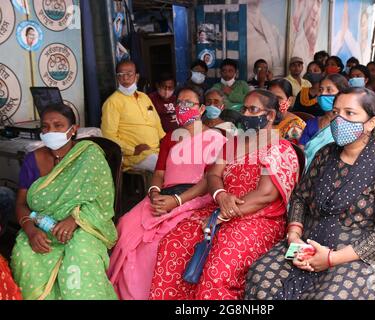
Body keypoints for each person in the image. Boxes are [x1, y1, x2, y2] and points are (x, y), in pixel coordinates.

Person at [245, 87, 375, 300]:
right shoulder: (325, 154)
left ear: (371, 123)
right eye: (336, 112)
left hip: (357, 254)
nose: (339, 119)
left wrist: (331, 258)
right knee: (260, 276)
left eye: (350, 113)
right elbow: (300, 197)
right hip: (310, 240)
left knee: (330, 296)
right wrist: (294, 236)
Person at [150, 89, 300, 300]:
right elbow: (213, 174)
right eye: (244, 109)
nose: (246, 114)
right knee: (173, 244)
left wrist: (223, 214)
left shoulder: (279, 148)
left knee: (217, 270)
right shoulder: (234, 143)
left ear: (270, 115)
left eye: (253, 109)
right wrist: (221, 195)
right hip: (220, 208)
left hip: (257, 218)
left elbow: (265, 195)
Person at [108, 87, 227, 300]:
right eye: (179, 103)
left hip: (195, 197)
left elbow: (209, 180)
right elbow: (159, 173)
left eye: (189, 103)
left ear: (201, 109)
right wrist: (153, 192)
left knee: (154, 242)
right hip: (164, 195)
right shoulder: (170, 137)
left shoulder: (216, 139)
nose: (183, 107)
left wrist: (176, 201)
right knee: (125, 226)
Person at [11, 103, 118, 300]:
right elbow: (20, 203)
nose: (50, 131)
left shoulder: (89, 155)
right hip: (40, 226)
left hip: (82, 227)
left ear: (73, 129)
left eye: (58, 125)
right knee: (23, 255)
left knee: (82, 254)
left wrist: (75, 220)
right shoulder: (32, 159)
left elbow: (103, 200)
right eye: (45, 127)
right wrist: (31, 231)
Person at [101, 60, 165, 172]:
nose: (125, 78)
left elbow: (158, 126)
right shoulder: (112, 102)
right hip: (135, 157)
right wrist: (132, 150)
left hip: (157, 151)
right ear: (117, 78)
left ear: (137, 76)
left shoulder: (144, 97)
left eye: (129, 74)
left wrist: (167, 143)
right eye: (121, 75)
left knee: (181, 162)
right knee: (166, 169)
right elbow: (108, 136)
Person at [299, 74, 349, 146]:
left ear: (342, 94)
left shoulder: (349, 126)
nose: (322, 93)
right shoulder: (311, 123)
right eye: (320, 90)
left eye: (329, 90)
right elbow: (301, 149)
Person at [268, 79, 305, 143]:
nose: (273, 101)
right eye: (270, 97)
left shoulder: (295, 126)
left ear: (289, 100)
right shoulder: (263, 118)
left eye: (279, 98)